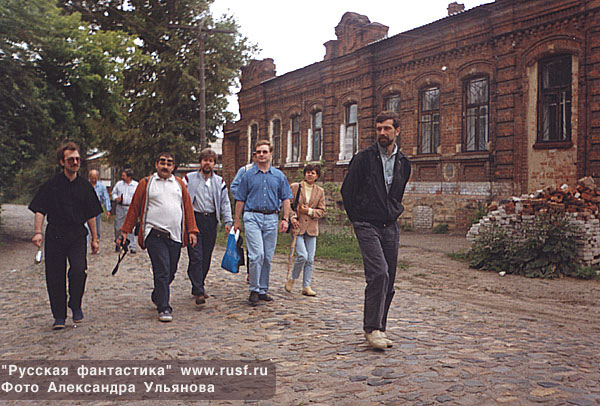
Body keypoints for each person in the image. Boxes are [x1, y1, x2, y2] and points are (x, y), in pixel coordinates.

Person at [341, 111, 411, 350]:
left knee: (389, 278)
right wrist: (358, 218)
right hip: (366, 224)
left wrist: (393, 210)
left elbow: (397, 192)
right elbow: (347, 191)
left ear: (397, 131)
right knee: (379, 273)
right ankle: (371, 329)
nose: (382, 133)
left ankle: (380, 327)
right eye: (379, 128)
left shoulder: (403, 162)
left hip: (389, 225)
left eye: (387, 128)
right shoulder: (363, 159)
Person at [29, 142, 103, 330]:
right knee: (55, 276)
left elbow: (92, 214)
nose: (75, 162)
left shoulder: (85, 187)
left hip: (77, 234)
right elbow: (40, 209)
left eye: (77, 159)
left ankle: (75, 304)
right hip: (55, 234)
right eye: (71, 160)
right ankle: (59, 316)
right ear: (62, 162)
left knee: (79, 270)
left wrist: (95, 239)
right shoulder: (51, 185)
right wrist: (38, 232)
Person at [120, 152, 198, 322]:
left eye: (169, 163)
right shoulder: (147, 183)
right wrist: (125, 230)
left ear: (173, 167)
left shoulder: (179, 184)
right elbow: (134, 207)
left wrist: (192, 230)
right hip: (154, 233)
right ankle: (164, 307)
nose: (165, 166)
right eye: (162, 162)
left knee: (171, 271)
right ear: (156, 165)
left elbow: (187, 207)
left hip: (175, 235)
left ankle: (158, 294)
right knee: (162, 269)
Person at [233, 140, 293, 304]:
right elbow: (240, 199)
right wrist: (236, 220)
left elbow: (286, 198)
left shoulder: (279, 176)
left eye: (264, 152)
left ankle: (262, 289)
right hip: (252, 216)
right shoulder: (248, 176)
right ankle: (253, 289)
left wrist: (285, 219)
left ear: (271, 154)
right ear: (255, 155)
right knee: (256, 254)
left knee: (267, 256)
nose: (261, 155)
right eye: (258, 152)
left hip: (272, 218)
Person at [184, 148, 233, 305]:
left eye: (210, 161)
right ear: (200, 162)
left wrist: (228, 221)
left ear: (214, 164)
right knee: (196, 256)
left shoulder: (219, 182)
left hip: (211, 221)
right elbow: (182, 199)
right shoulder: (189, 179)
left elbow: (225, 203)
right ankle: (199, 290)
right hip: (195, 220)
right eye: (205, 160)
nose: (207, 163)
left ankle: (198, 282)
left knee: (206, 256)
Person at [286, 164, 326, 296]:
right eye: (308, 172)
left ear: (317, 176)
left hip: (312, 228)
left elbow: (322, 211)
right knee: (302, 256)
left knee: (310, 259)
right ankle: (292, 278)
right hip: (298, 227)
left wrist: (309, 211)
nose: (310, 175)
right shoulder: (295, 187)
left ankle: (306, 286)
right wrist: (292, 217)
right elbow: (288, 204)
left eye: (313, 173)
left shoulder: (320, 191)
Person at [112, 168, 138, 253]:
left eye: (124, 175)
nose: (122, 177)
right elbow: (113, 193)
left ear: (129, 177)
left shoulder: (136, 185)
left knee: (131, 227)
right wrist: (116, 198)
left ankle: (132, 246)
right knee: (118, 226)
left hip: (131, 208)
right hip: (120, 207)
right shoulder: (119, 184)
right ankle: (118, 243)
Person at [86, 169, 111, 247]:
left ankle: (96, 243)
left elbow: (106, 198)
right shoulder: (86, 185)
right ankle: (86, 245)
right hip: (86, 208)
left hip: (96, 208)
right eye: (92, 178)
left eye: (95, 178)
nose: (93, 180)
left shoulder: (101, 186)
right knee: (86, 228)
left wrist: (108, 210)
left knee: (96, 228)